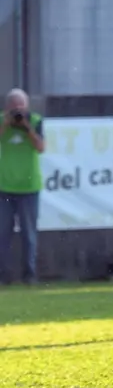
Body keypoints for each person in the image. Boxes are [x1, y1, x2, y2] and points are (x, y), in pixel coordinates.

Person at [0, 88, 45, 285]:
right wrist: (7, 123)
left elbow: (41, 148)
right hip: (4, 186)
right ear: (7, 107)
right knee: (2, 234)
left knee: (29, 234)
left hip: (29, 187)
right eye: (14, 108)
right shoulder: (2, 120)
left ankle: (30, 275)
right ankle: (3, 276)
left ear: (27, 107)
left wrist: (27, 127)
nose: (18, 111)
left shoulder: (35, 121)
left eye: (21, 108)